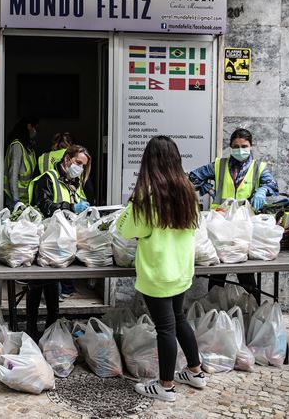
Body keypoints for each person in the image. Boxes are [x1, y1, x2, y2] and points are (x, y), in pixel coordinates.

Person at [117, 136, 206, 402]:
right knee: (179, 320)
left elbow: (128, 230)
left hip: (157, 273)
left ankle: (165, 386)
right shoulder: (187, 191)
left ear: (149, 162)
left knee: (165, 327)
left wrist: (129, 207)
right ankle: (196, 372)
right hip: (180, 271)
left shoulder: (147, 196)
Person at [188, 128, 279, 293]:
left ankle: (252, 305)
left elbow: (272, 185)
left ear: (251, 146)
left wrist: (263, 190)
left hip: (244, 226)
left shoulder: (259, 167)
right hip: (220, 224)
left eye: (244, 146)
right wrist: (205, 187)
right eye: (236, 146)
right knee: (218, 271)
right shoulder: (219, 165)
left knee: (244, 270)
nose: (240, 150)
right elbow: (193, 176)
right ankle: (214, 307)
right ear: (230, 147)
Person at [24, 145, 92, 340]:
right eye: (78, 163)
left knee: (54, 282)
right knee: (38, 282)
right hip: (46, 241)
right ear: (67, 158)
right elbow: (44, 206)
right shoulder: (48, 179)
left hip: (65, 242)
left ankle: (51, 328)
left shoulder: (76, 183)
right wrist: (71, 207)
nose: (79, 167)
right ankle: (31, 328)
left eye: (83, 165)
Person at [3, 117, 38, 210]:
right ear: (29, 127)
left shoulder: (30, 150)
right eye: (34, 128)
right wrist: (16, 201)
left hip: (26, 201)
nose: (35, 131)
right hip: (15, 202)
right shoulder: (17, 147)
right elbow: (13, 175)